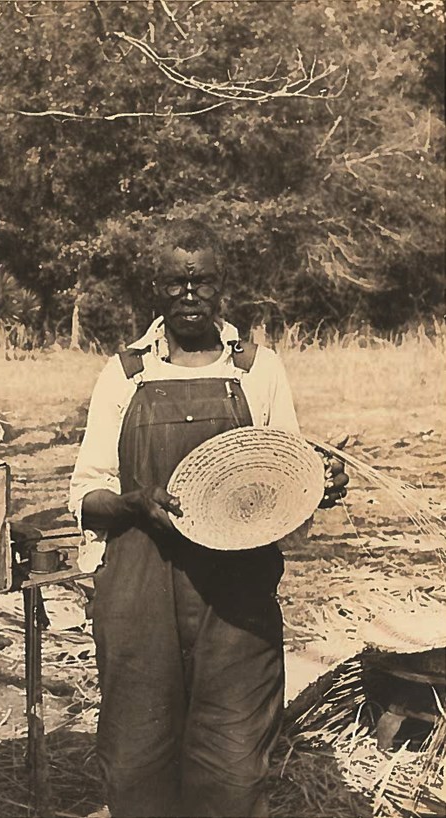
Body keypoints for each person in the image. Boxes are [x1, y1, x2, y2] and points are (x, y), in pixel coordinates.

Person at [69, 219, 348, 818]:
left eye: (201, 281)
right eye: (176, 282)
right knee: (138, 756)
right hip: (140, 586)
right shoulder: (124, 373)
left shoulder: (258, 369)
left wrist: (318, 487)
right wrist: (136, 502)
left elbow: (286, 478)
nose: (188, 294)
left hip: (236, 592)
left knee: (233, 763)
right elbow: (87, 494)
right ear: (155, 287)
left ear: (221, 286)